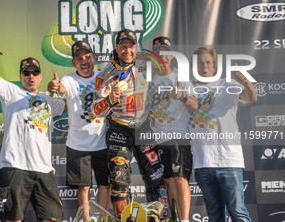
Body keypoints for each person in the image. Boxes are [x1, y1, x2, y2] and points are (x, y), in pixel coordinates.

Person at [0, 22, 65, 222]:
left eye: (35, 72)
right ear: (20, 76)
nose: (31, 77)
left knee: (53, 218)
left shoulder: (51, 102)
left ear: (40, 76)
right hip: (14, 167)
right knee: (13, 219)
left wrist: (61, 88)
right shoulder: (10, 91)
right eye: (26, 73)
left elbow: (75, 103)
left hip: (44, 169)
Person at [91, 29, 165, 219]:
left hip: (144, 125)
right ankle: (123, 218)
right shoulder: (106, 74)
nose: (127, 51)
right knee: (119, 178)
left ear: (136, 47)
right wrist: (109, 100)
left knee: (156, 176)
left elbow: (166, 66)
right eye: (123, 47)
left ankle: (158, 217)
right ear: (116, 48)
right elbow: (94, 111)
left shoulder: (146, 64)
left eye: (131, 46)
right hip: (119, 128)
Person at [189, 47, 256, 222]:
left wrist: (245, 81)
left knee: (238, 212)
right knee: (214, 214)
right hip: (203, 163)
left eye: (208, 62)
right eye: (200, 63)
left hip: (228, 161)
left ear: (214, 65)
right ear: (194, 66)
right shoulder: (188, 90)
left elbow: (251, 99)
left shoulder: (228, 85)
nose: (204, 66)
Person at [47, 41, 110, 216]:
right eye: (79, 58)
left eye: (87, 57)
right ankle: (86, 220)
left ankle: (104, 219)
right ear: (74, 63)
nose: (84, 61)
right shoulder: (69, 79)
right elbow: (60, 89)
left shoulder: (102, 77)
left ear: (94, 58)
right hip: (78, 145)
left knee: (105, 185)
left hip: (102, 143)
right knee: (84, 187)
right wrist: (54, 87)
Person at [149, 36, 198, 222]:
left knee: (180, 179)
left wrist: (183, 96)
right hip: (158, 137)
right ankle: (174, 219)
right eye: (159, 53)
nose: (163, 56)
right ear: (154, 56)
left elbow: (194, 106)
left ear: (172, 55)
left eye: (166, 53)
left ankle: (184, 220)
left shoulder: (181, 76)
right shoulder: (148, 78)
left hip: (179, 135)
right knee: (168, 181)